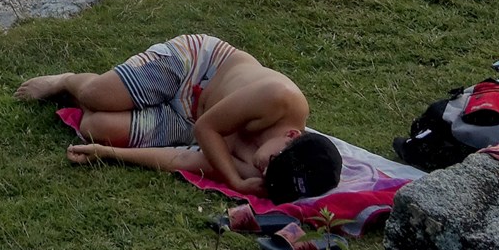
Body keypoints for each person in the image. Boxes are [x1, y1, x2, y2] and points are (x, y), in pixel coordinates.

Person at [18, 35, 344, 202]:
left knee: (94, 128)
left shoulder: (266, 172)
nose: (263, 170)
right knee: (96, 97)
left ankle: (111, 100)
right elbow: (208, 128)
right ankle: (67, 81)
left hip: (187, 120)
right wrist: (234, 181)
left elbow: (185, 158)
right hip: (197, 66)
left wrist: (109, 153)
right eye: (271, 163)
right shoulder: (279, 97)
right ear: (291, 136)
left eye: (269, 176)